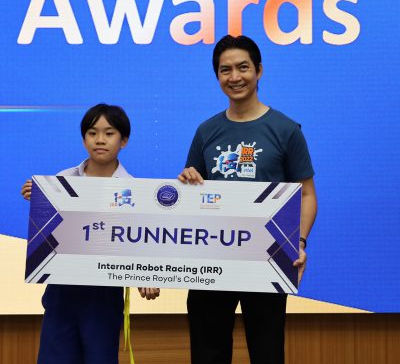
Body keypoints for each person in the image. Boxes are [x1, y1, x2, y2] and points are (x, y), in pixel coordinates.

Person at [178, 35, 317, 364]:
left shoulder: (285, 129)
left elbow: (307, 194)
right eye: (225, 70)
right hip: (212, 259)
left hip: (266, 258)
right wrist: (187, 181)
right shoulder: (206, 131)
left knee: (267, 352)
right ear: (217, 76)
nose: (235, 77)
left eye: (243, 67)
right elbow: (193, 190)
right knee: (207, 353)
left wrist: (298, 242)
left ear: (259, 71)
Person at [21, 103, 160, 364]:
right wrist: (38, 196)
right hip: (61, 292)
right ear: (84, 138)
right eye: (92, 133)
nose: (100, 140)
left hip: (103, 297)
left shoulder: (135, 190)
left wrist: (146, 274)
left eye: (109, 133)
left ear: (124, 140)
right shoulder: (62, 180)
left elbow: (138, 240)